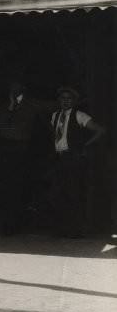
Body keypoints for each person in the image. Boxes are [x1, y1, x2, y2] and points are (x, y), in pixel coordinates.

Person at [49, 86, 105, 239]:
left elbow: (100, 130)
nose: (66, 101)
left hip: (73, 158)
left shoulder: (80, 115)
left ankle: (75, 230)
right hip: (58, 158)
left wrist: (84, 146)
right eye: (63, 98)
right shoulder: (55, 116)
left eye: (69, 99)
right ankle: (61, 229)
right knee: (58, 193)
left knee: (73, 193)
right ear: (59, 100)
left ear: (74, 101)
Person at [0, 82, 47, 235]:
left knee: (21, 187)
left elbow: (51, 107)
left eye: (18, 89)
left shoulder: (32, 105)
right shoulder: (5, 107)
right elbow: (2, 126)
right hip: (6, 149)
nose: (15, 91)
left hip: (23, 149)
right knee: (7, 187)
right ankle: (8, 225)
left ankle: (18, 224)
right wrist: (11, 106)